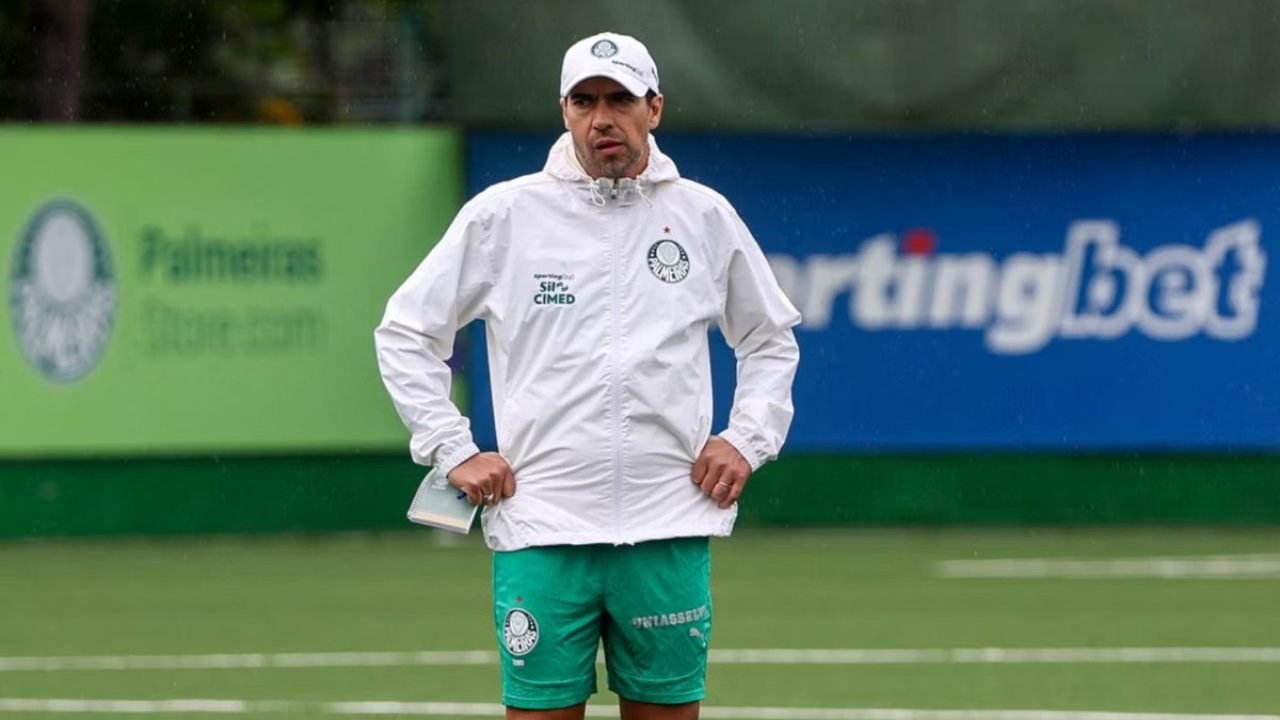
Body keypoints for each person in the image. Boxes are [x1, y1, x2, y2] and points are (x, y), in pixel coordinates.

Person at [375, 31, 800, 720]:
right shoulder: (505, 215)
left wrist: (747, 438)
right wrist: (453, 448)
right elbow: (403, 334)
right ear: (565, 111)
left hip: (667, 526)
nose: (602, 117)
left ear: (654, 108)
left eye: (620, 99)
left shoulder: (703, 215)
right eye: (584, 101)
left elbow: (769, 340)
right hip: (542, 528)